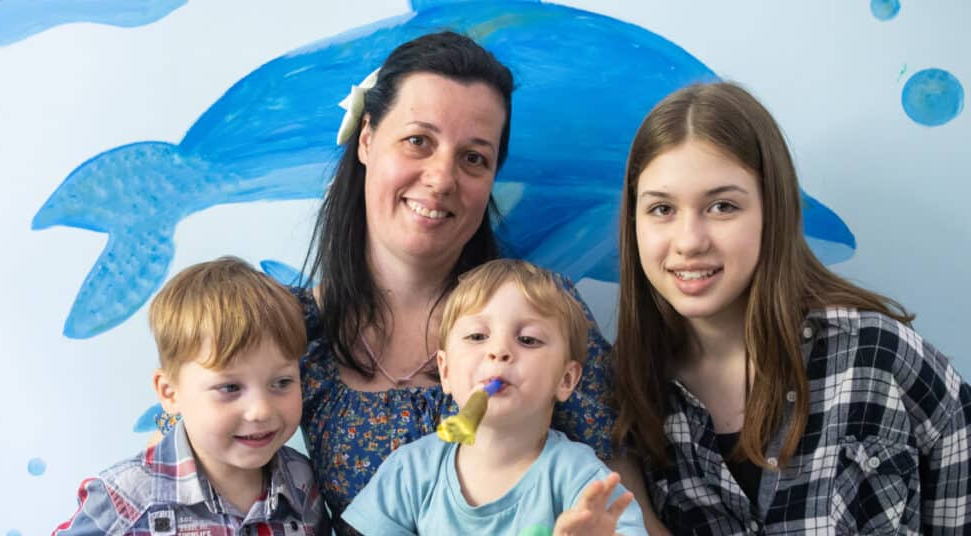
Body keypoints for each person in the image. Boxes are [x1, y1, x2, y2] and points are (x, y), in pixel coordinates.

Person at [294, 30, 648, 533]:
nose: (442, 178)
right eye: (418, 141)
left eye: (473, 157)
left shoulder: (543, 313)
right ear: (367, 138)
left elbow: (619, 501)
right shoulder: (296, 332)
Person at [611, 81, 971, 534]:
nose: (689, 242)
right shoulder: (628, 391)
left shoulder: (879, 358)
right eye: (662, 209)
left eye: (722, 206)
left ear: (772, 210)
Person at [342, 259, 646, 535]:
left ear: (566, 380)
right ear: (445, 372)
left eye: (528, 339)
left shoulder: (580, 477)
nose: (498, 350)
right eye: (477, 336)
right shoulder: (411, 471)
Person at [55, 257, 330, 535]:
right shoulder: (126, 500)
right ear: (170, 393)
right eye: (230, 388)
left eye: (282, 382)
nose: (261, 410)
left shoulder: (302, 481)